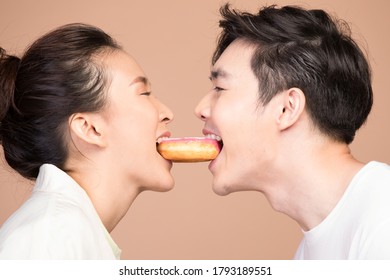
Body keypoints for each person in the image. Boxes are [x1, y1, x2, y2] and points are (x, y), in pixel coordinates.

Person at [195, 4, 390, 259]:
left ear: (287, 109)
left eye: (219, 88)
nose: (200, 109)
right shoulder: (306, 255)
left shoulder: (382, 218)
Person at [0, 23, 174, 259]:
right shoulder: (51, 237)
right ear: (89, 128)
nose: (167, 113)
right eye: (144, 93)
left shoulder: (67, 233)